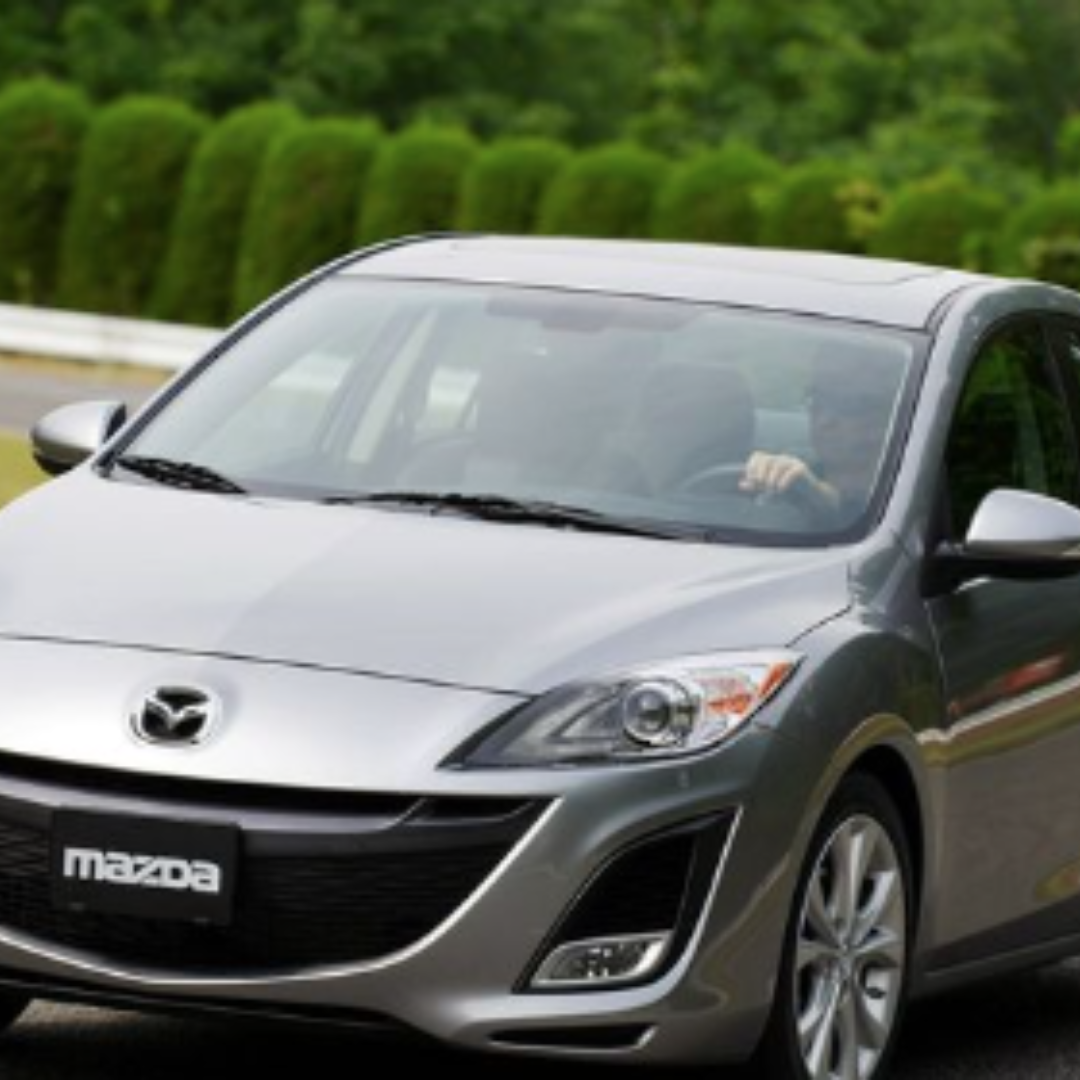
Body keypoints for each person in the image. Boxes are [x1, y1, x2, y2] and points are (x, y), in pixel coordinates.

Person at [739, 354, 901, 524]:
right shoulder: (795, 463)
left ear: (886, 411)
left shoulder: (904, 490)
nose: (824, 421)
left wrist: (816, 495)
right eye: (817, 400)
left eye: (846, 404)